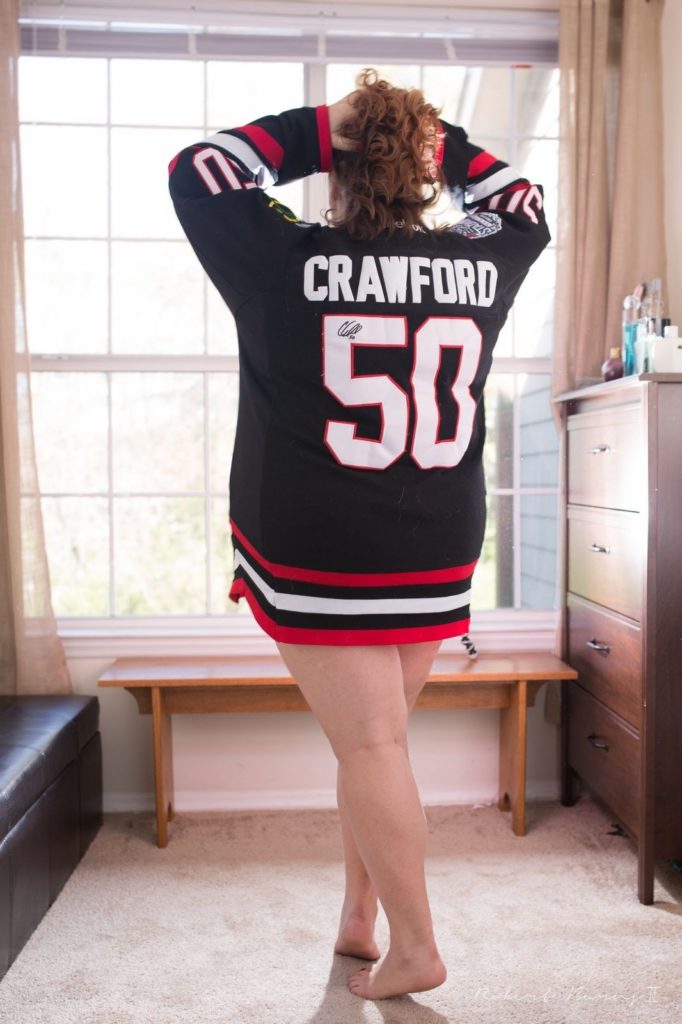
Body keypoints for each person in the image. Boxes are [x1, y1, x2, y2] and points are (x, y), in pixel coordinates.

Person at [168, 68, 550, 1001]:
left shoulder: (281, 252)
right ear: (424, 169)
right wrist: (434, 140)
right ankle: (359, 917)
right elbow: (525, 202)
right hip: (435, 545)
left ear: (338, 164)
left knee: (371, 746)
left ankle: (416, 948)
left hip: (319, 548)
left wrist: (318, 125)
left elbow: (199, 169)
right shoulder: (479, 256)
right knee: (377, 744)